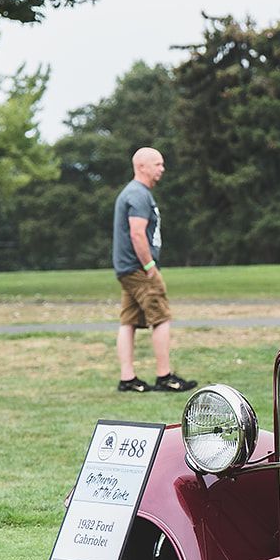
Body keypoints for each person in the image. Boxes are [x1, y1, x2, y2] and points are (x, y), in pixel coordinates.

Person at [112, 147, 196, 393]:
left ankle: (128, 379)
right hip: (139, 269)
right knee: (161, 317)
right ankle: (165, 377)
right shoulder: (138, 194)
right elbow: (138, 233)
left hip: (127, 269)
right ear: (142, 166)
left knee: (128, 321)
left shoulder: (134, 193)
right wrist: (149, 266)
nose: (162, 169)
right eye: (157, 164)